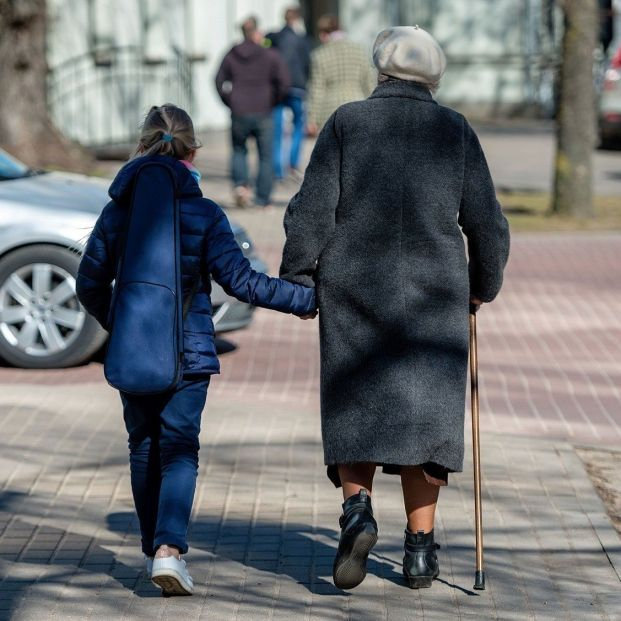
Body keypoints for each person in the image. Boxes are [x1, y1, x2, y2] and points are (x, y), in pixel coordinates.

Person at [279, 26, 510, 590]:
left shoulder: (347, 123)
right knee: (425, 425)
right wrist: (483, 283)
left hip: (355, 290)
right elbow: (487, 223)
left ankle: (357, 515)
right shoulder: (453, 130)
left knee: (356, 407)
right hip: (434, 296)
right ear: (434, 76)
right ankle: (420, 553)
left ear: (380, 69)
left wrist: (300, 274)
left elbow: (313, 209)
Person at [76, 104, 316, 597]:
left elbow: (89, 284)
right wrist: (306, 300)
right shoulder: (204, 212)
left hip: (134, 354)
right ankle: (169, 551)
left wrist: (121, 325)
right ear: (193, 151)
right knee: (180, 450)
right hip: (190, 353)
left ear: (142, 146)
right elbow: (242, 282)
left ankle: (152, 552)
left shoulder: (117, 210)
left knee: (143, 448)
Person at [215, 16, 290, 208]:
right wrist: (273, 100)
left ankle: (241, 186)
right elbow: (284, 83)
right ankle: (263, 198)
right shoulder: (270, 55)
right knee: (265, 155)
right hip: (264, 109)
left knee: (239, 150)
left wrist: (229, 101)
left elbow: (218, 80)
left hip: (239, 109)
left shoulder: (231, 54)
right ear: (257, 31)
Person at [306, 14, 376, 136]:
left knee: (332, 153)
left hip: (329, 111)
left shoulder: (319, 55)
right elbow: (369, 82)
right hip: (357, 105)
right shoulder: (359, 50)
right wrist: (375, 109)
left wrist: (312, 119)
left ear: (323, 34)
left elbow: (317, 90)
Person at [266, 6, 311, 180]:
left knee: (277, 129)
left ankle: (278, 170)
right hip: (298, 88)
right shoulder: (303, 40)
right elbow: (308, 64)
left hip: (278, 88)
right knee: (299, 125)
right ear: (297, 20)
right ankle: (293, 164)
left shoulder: (273, 37)